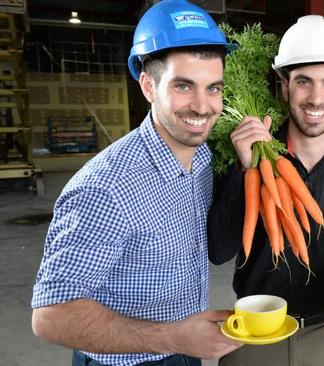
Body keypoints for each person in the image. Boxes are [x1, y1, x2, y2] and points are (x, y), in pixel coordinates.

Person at [30, 1, 241, 365]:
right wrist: (174, 336)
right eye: (183, 86)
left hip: (186, 351)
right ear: (148, 86)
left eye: (213, 88)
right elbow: (51, 316)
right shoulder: (105, 188)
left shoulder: (205, 158)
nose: (203, 106)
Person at [207, 15, 324, 366]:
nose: (317, 98)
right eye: (304, 81)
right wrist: (243, 169)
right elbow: (220, 250)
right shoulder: (242, 160)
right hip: (256, 332)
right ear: (284, 86)